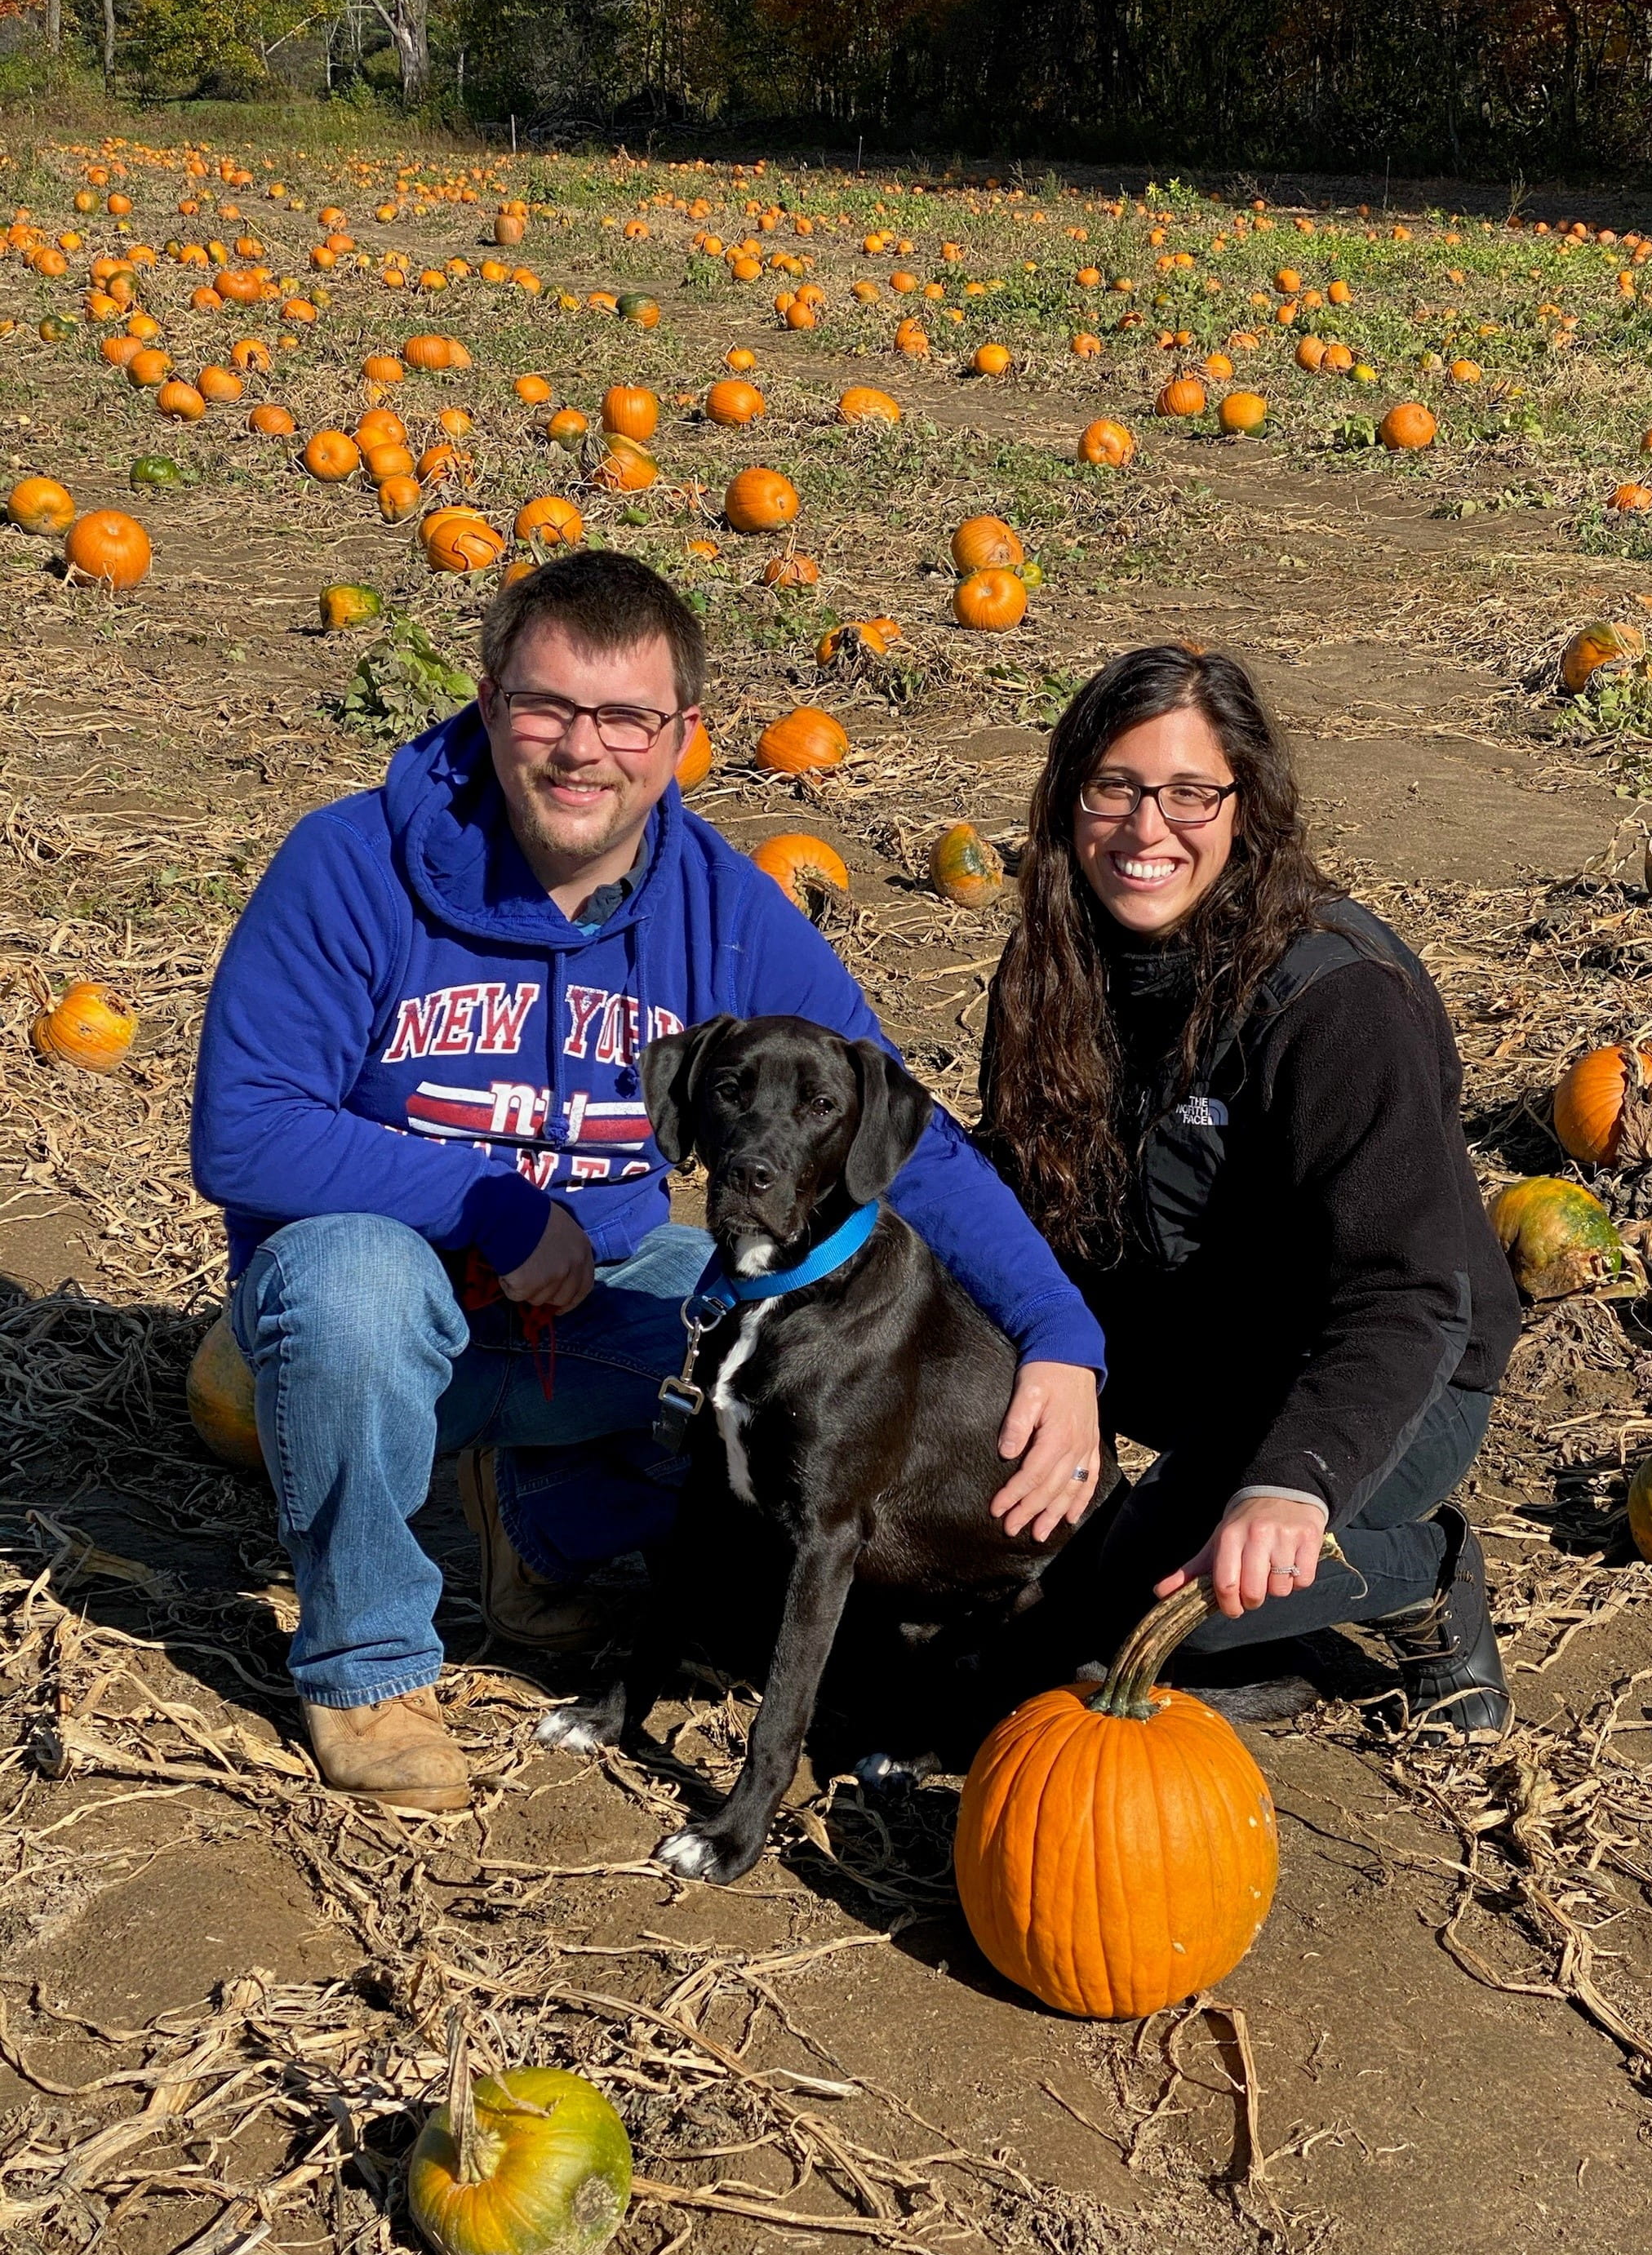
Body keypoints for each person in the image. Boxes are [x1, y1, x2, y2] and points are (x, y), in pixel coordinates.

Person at [192, 552, 1105, 1812]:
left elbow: (908, 1137)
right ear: (486, 696)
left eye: (626, 718)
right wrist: (496, 1208)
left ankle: (535, 1507)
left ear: (682, 735)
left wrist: (1061, 1337)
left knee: (771, 1339)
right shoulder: (349, 866)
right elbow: (242, 1131)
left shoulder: (722, 910)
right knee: (349, 1289)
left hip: (592, 1302)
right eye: (548, 707)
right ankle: (366, 1663)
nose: (583, 751)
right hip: (396, 1305)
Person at [977, 643, 1520, 1740]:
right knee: (1042, 1562)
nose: (1145, 831)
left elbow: (1403, 1298)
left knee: (1163, 1605)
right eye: (1115, 789)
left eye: (1188, 794)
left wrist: (1292, 1483)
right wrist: (1047, 1352)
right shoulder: (1053, 967)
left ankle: (1421, 1574)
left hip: (1380, 1366)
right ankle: (1156, 1538)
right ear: (1070, 794)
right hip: (1193, 1333)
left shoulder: (1333, 999)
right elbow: (1016, 1198)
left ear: (1242, 806)